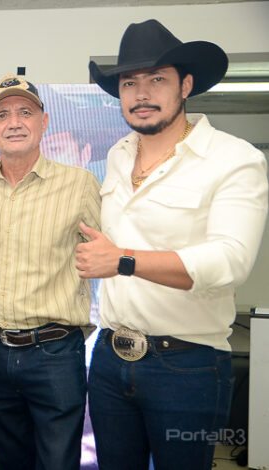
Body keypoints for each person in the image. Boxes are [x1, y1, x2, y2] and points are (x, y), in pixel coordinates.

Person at [76, 19, 268, 470]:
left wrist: (122, 260)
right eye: (129, 83)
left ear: (185, 85)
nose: (141, 93)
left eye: (157, 79)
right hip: (109, 358)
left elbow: (230, 261)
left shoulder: (234, 158)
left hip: (187, 364)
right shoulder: (119, 154)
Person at [0, 75, 101, 470]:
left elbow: (106, 256)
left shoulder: (79, 185)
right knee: (8, 462)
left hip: (55, 353)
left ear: (44, 122)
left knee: (57, 463)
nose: (14, 123)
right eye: (2, 115)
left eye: (25, 112)